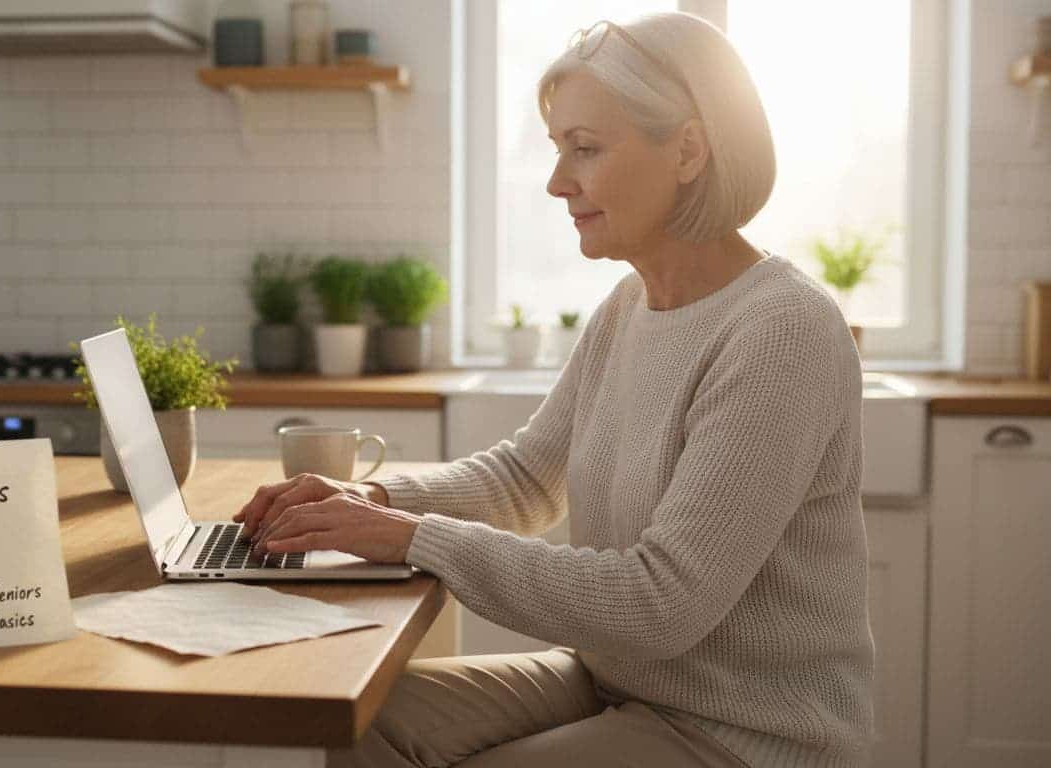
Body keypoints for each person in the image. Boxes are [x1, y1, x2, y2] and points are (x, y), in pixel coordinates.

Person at [235, 11, 873, 768]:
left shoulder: (781, 330)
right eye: (558, 148)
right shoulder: (630, 307)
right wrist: (375, 502)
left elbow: (661, 603)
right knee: (349, 716)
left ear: (688, 150)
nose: (556, 182)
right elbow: (525, 478)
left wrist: (412, 538)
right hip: (618, 685)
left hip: (747, 733)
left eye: (586, 149)